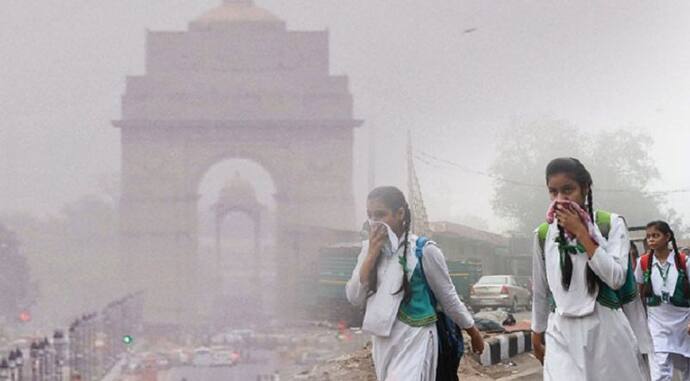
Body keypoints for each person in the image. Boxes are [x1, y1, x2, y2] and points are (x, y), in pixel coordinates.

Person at [346, 186, 483, 381]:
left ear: (400, 213)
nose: (374, 222)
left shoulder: (424, 251)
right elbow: (353, 297)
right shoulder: (368, 251)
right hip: (383, 342)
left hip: (416, 338)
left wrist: (473, 331)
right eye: (370, 216)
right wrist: (370, 257)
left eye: (381, 215)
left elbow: (448, 297)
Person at [531, 157, 645, 380]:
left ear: (585, 188)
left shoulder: (611, 224)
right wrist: (537, 331)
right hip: (560, 332)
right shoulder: (543, 234)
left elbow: (616, 278)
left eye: (568, 190)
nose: (560, 199)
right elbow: (541, 290)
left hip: (605, 331)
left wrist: (583, 234)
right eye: (553, 192)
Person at [635, 221, 690, 381]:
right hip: (656, 322)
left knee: (686, 366)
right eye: (649, 236)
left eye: (655, 235)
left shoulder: (684, 262)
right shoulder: (643, 262)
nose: (651, 239)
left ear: (667, 237)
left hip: (683, 322)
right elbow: (639, 293)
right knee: (660, 368)